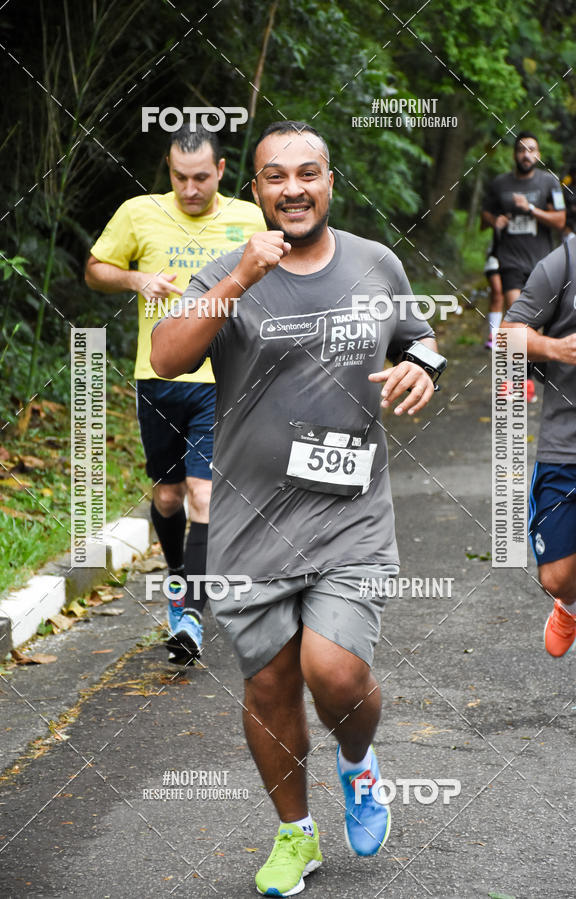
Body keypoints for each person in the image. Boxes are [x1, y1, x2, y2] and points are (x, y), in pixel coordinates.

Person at [151, 121, 444, 896]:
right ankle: (295, 835)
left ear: (329, 181)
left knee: (333, 671)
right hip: (250, 521)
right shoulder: (227, 271)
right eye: (275, 176)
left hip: (349, 513)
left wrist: (422, 366)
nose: (293, 188)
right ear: (255, 190)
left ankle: (357, 762)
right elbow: (167, 355)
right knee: (271, 685)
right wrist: (239, 279)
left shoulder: (375, 263)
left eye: (307, 173)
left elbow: (421, 338)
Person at [84, 125, 265, 663]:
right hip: (158, 377)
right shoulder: (139, 213)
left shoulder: (248, 218)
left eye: (201, 178)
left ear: (222, 171)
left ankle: (188, 612)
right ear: (168, 171)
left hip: (219, 379)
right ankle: (179, 574)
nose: (190, 189)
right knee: (166, 498)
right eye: (180, 177)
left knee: (202, 494)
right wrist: (136, 281)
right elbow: (94, 269)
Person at [502, 148, 576, 745]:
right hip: (568, 446)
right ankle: (572, 599)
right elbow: (507, 337)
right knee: (556, 574)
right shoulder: (561, 265)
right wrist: (560, 350)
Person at [482, 131, 566, 398]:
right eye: (521, 150)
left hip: (542, 263)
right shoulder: (500, 184)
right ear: (514, 154)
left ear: (538, 155)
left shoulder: (549, 182)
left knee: (534, 326)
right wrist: (494, 221)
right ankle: (518, 381)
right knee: (517, 318)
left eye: (531, 149)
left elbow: (561, 220)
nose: (526, 154)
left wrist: (531, 209)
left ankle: (528, 377)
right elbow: (486, 213)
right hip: (510, 262)